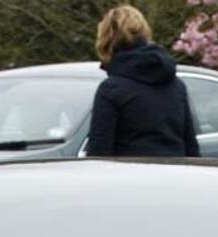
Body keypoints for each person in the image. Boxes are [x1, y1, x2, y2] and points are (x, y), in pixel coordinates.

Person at [85, 6, 198, 158]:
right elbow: (191, 146)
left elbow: (99, 151)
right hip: (175, 174)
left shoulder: (111, 90)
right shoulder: (176, 86)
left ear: (106, 39)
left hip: (130, 177)